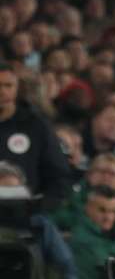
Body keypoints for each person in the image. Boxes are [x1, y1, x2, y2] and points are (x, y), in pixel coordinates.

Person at [0, 62, 72, 208]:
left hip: (22, 217)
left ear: (17, 88)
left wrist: (39, 208)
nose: (2, 91)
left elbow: (58, 175)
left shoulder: (36, 126)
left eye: (8, 86)